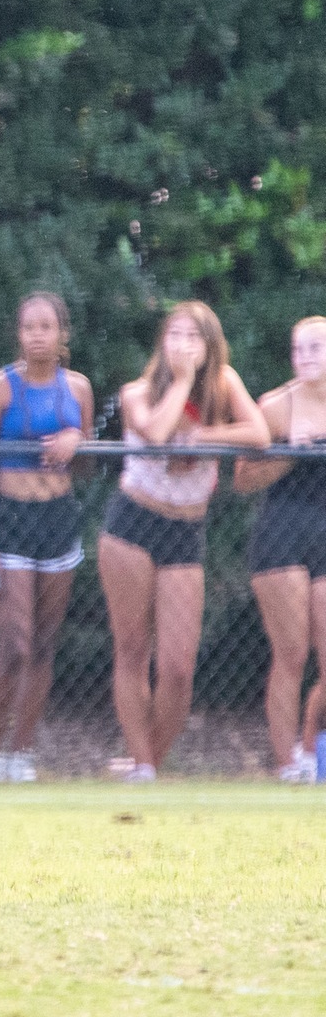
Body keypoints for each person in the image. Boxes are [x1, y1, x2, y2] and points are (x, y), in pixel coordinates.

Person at [97, 300, 269, 781]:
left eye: (193, 336)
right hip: (133, 524)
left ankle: (145, 758)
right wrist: (181, 382)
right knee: (132, 649)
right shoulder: (137, 391)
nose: (182, 344)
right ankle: (145, 768)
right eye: (174, 334)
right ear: (161, 343)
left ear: (210, 344)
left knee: (177, 667)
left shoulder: (225, 385)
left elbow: (258, 434)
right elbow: (153, 432)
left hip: (185, 531)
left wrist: (206, 433)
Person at [0, 293, 94, 784]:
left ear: (63, 335)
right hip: (11, 521)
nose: (38, 335)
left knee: (43, 646)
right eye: (28, 327)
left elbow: (86, 466)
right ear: (18, 333)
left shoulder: (76, 389)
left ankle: (22, 753)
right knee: (15, 645)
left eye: (47, 326)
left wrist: (76, 442)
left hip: (59, 519)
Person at [232, 316, 326, 780]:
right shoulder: (274, 407)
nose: (306, 357)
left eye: (316, 348)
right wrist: (289, 452)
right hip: (282, 535)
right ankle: (288, 765)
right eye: (299, 348)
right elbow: (242, 479)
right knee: (291, 654)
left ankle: (311, 751)